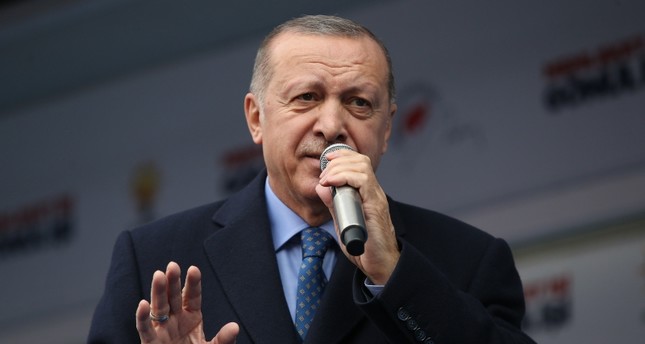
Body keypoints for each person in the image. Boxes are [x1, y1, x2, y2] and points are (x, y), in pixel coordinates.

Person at [88, 14, 536, 344]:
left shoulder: (468, 259)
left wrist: (396, 275)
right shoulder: (152, 259)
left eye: (359, 103)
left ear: (386, 129)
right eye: (307, 97)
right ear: (256, 118)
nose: (332, 125)